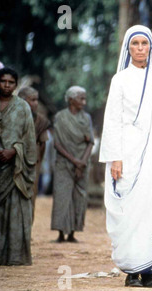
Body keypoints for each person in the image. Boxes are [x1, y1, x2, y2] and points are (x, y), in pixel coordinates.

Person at [99, 25, 152, 288]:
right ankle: (132, 272)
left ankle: (150, 271)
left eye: (143, 44)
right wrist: (115, 157)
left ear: (151, 47)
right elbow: (112, 120)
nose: (139, 48)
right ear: (128, 48)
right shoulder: (120, 80)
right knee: (130, 211)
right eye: (134, 44)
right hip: (127, 154)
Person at [0, 67, 36, 265]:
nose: (7, 85)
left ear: (16, 85)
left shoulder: (23, 107)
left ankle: (14, 256)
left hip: (15, 169)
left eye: (11, 82)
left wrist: (14, 151)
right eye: (3, 81)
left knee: (15, 211)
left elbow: (29, 138)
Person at [51, 86, 94, 243]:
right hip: (64, 163)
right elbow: (57, 143)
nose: (84, 102)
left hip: (82, 164)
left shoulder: (86, 118)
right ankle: (61, 233)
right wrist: (74, 161)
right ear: (71, 100)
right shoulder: (60, 117)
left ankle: (73, 233)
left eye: (84, 98)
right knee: (62, 196)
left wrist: (81, 162)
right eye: (81, 98)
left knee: (79, 197)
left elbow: (90, 142)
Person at [18, 87, 51, 221]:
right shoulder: (14, 117)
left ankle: (27, 229)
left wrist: (38, 161)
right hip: (15, 158)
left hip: (33, 162)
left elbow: (43, 143)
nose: (36, 103)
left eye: (36, 100)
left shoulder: (41, 121)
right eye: (32, 100)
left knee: (31, 194)